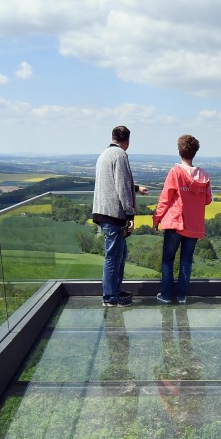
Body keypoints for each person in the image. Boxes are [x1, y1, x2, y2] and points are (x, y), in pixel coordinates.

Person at [152, 134, 212, 304]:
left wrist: (156, 219)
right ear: (195, 152)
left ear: (179, 151)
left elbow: (165, 199)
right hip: (194, 225)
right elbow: (207, 200)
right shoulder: (204, 176)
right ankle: (181, 296)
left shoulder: (175, 172)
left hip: (175, 222)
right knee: (186, 260)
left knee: (168, 259)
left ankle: (165, 295)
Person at [92, 125, 147, 307]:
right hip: (113, 214)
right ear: (127, 141)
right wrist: (130, 214)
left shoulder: (104, 154)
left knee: (119, 254)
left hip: (103, 211)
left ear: (113, 137)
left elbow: (114, 183)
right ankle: (110, 297)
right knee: (113, 256)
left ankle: (114, 290)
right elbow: (122, 187)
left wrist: (137, 188)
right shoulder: (120, 156)